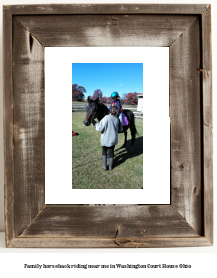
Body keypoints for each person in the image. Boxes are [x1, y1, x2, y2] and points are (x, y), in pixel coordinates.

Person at [92, 106, 119, 171]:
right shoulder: (117, 118)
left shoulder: (106, 118)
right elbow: (120, 128)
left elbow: (99, 128)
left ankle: (104, 166)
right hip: (113, 140)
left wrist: (95, 123)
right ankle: (110, 167)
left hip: (105, 139)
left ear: (110, 111)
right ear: (116, 111)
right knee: (111, 153)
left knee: (104, 152)